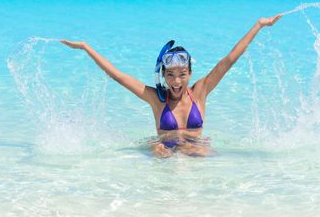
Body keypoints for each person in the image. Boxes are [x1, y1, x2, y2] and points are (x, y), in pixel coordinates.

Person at [61, 14, 282, 158]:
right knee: (161, 153)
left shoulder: (200, 91)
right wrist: (85, 47)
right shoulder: (157, 99)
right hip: (163, 147)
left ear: (190, 73)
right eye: (171, 75)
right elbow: (118, 76)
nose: (176, 81)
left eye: (182, 74)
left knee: (203, 152)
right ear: (163, 76)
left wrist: (259, 25)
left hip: (195, 147)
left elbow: (229, 60)